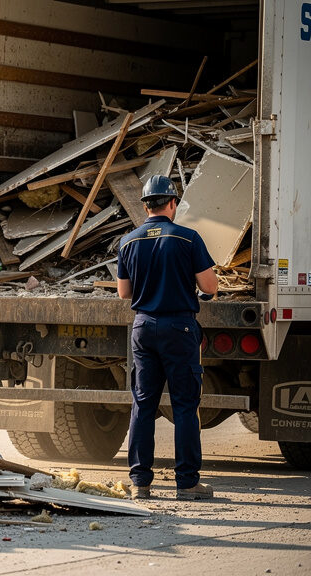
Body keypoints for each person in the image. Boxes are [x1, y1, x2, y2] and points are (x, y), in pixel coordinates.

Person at [116, 174, 218, 501]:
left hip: (143, 328)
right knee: (185, 406)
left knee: (143, 404)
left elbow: (123, 293)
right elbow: (210, 287)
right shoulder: (188, 238)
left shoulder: (129, 241)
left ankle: (139, 484)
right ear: (172, 203)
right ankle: (187, 483)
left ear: (146, 205)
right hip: (179, 328)